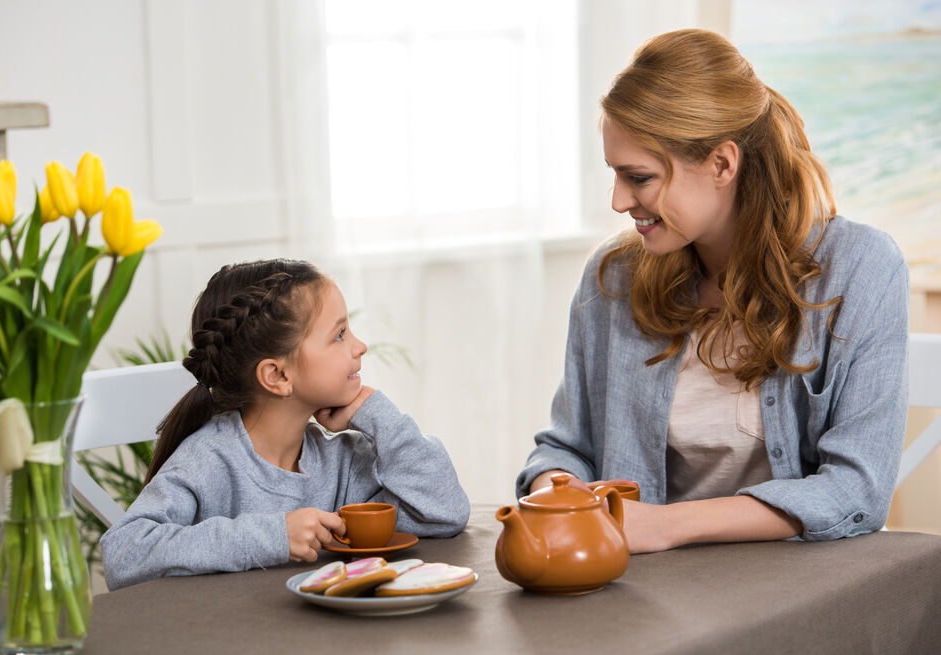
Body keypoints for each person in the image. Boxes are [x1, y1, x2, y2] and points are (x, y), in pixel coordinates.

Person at [517, 29, 909, 554]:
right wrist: (559, 492)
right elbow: (567, 448)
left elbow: (857, 490)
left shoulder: (861, 269)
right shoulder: (612, 277)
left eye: (639, 177)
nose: (618, 201)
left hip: (799, 580)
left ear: (722, 164)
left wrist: (665, 526)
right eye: (615, 174)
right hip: (647, 581)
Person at [101, 259, 469, 589]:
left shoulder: (340, 462)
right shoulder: (209, 459)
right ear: (277, 376)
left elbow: (443, 513)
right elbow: (123, 554)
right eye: (339, 334)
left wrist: (379, 415)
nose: (360, 347)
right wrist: (275, 535)